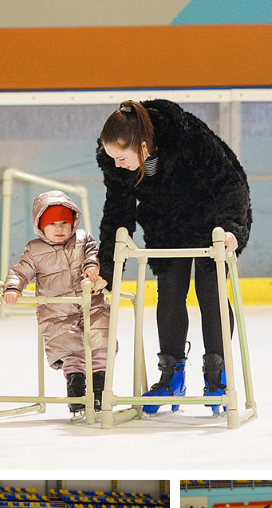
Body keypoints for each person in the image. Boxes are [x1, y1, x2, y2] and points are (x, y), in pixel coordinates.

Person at [96, 99, 252, 416]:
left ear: (142, 145)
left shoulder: (187, 137)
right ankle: (171, 377)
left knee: (211, 291)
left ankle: (217, 376)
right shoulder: (116, 163)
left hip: (213, 218)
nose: (117, 165)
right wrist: (108, 269)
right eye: (111, 157)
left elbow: (230, 183)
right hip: (167, 221)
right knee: (169, 290)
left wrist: (233, 229)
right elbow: (117, 214)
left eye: (122, 157)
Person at [3, 191, 110, 418]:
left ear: (73, 223)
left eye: (64, 222)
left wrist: (92, 266)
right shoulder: (34, 250)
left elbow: (93, 254)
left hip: (93, 305)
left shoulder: (83, 240)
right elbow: (20, 271)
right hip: (57, 312)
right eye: (52, 224)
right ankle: (76, 395)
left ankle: (100, 392)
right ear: (41, 227)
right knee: (71, 350)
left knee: (101, 343)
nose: (59, 228)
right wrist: (13, 287)